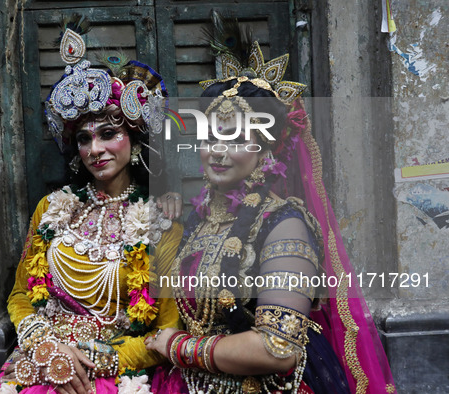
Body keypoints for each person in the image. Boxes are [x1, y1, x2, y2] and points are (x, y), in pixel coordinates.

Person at [145, 36, 397, 393]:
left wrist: (177, 346)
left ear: (265, 151)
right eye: (210, 137)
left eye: (235, 139)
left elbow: (277, 348)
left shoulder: (285, 224)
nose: (217, 151)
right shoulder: (199, 220)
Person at [0, 18, 183, 394]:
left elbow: (167, 329)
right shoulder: (52, 208)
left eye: (108, 134)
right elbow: (22, 294)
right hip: (40, 360)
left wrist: (95, 358)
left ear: (133, 141)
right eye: (84, 139)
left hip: (109, 370)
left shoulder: (161, 220)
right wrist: (46, 346)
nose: (94, 150)